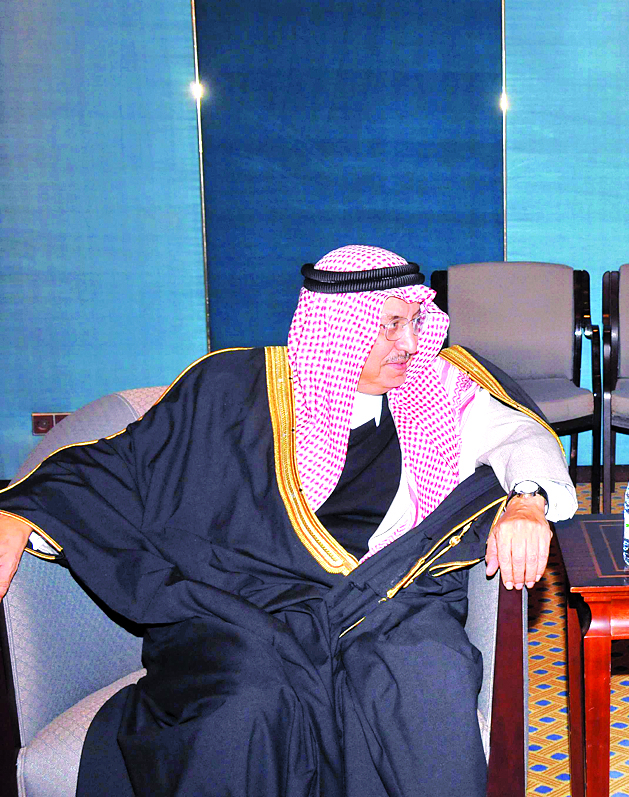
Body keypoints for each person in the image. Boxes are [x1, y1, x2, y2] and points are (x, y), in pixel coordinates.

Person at [0, 245, 577, 797]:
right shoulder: (232, 390)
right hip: (244, 606)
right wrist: (24, 511)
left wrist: (527, 501)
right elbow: (124, 463)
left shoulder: (437, 388)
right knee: (241, 709)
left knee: (428, 683)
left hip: (387, 602)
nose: (410, 342)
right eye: (390, 325)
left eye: (414, 322)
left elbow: (521, 436)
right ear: (340, 328)